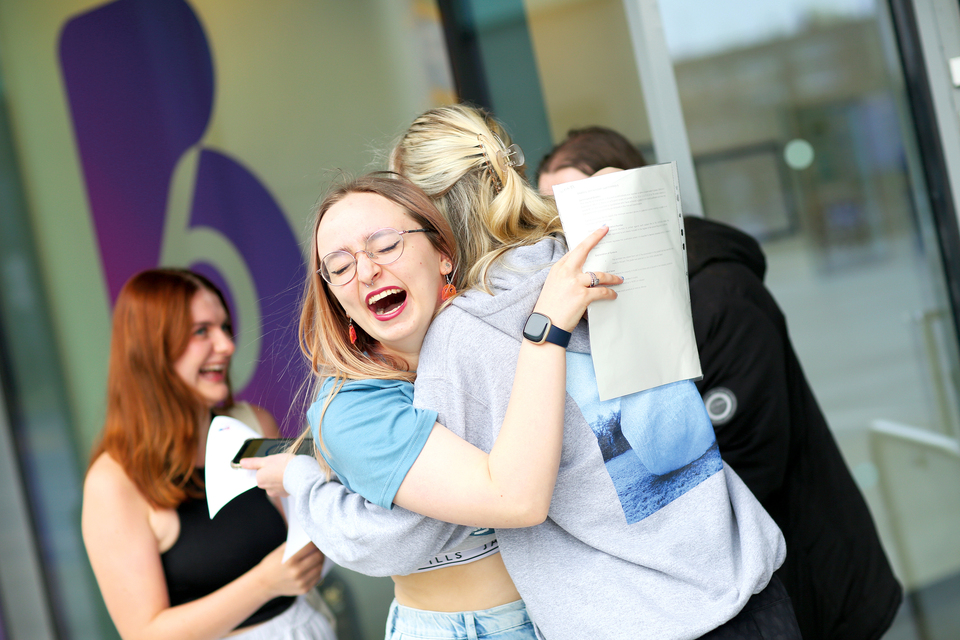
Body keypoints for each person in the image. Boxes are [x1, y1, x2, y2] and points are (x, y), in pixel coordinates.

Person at [258, 106, 797, 640]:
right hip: (751, 582)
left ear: (430, 229)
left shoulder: (462, 335)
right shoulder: (597, 242)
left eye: (389, 233)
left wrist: (309, 486)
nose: (371, 265)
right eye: (342, 264)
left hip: (649, 619)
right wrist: (619, 198)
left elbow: (423, 524)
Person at [538, 125, 903, 640]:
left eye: (584, 205)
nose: (572, 233)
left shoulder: (720, 295)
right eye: (555, 216)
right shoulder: (597, 311)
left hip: (807, 575)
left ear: (636, 202)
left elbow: (753, 456)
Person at [245, 173, 620, 639]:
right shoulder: (348, 409)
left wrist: (612, 200)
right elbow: (506, 501)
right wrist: (306, 481)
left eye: (384, 245)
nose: (365, 271)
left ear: (443, 254)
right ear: (337, 299)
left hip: (577, 611)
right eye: (339, 267)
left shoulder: (495, 327)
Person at [81, 269, 336, 640]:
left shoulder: (252, 422)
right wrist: (265, 583)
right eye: (201, 331)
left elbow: (304, 531)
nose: (227, 345)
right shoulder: (114, 482)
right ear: (151, 349)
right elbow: (143, 633)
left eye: (223, 326)